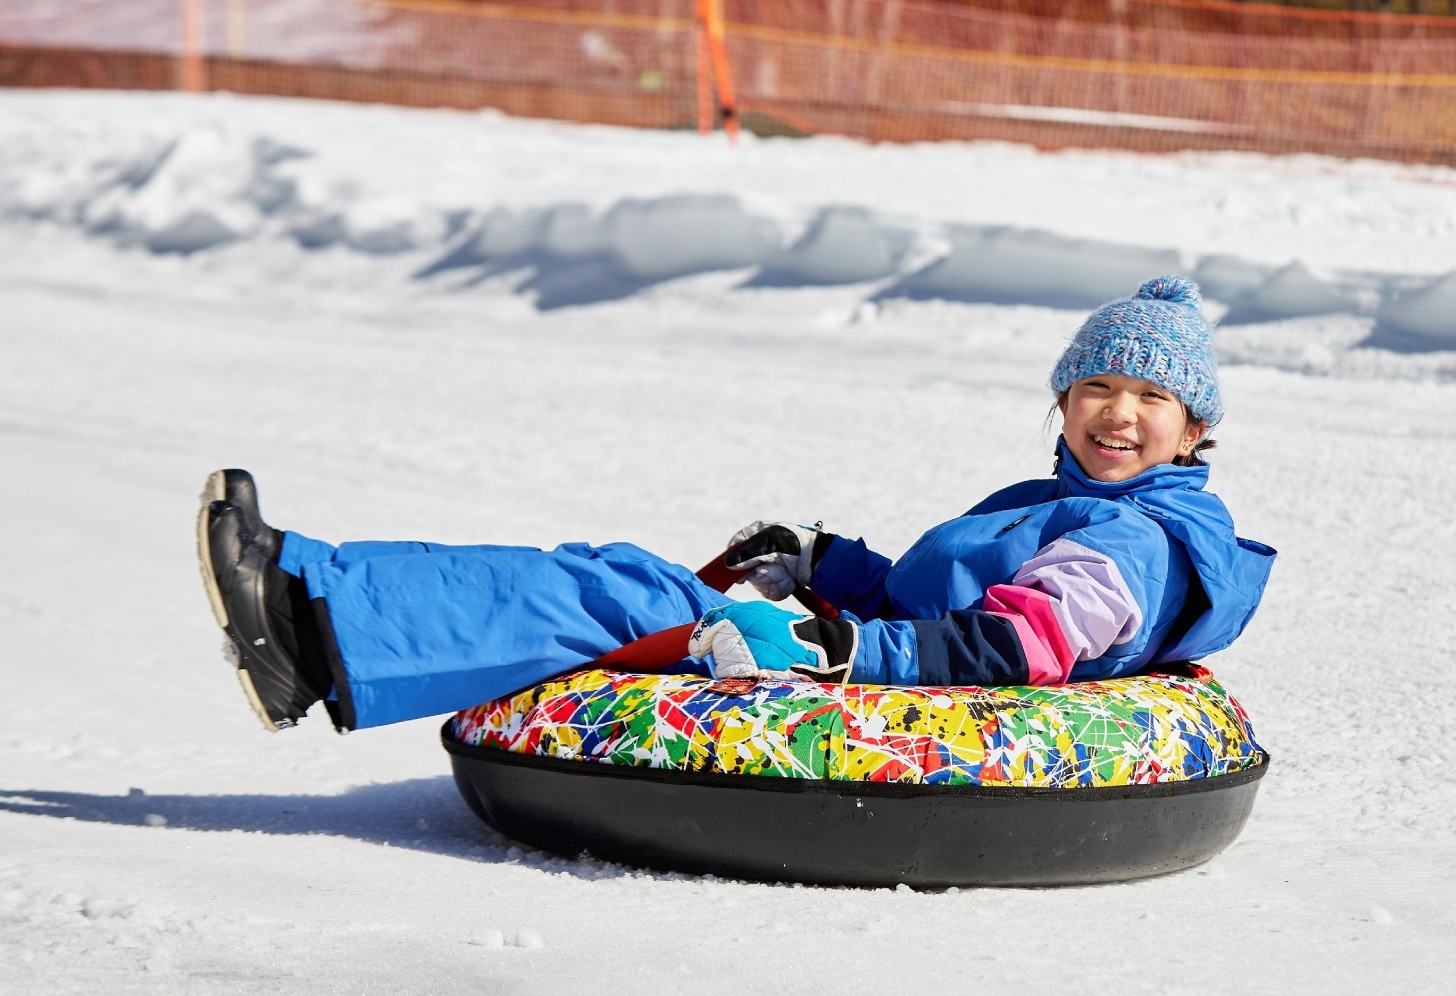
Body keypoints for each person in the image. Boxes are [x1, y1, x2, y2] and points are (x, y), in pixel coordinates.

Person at [198, 276, 1276, 733]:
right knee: (624, 574)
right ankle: (320, 606)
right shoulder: (1060, 498)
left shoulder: (1135, 535)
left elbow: (1020, 642)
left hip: (913, 706)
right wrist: (824, 564)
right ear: (1061, 400)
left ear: (1193, 429)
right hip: (888, 660)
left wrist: (839, 647)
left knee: (623, 596)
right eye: (1096, 388)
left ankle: (309, 620)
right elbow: (933, 590)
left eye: (1149, 398)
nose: (1116, 416)